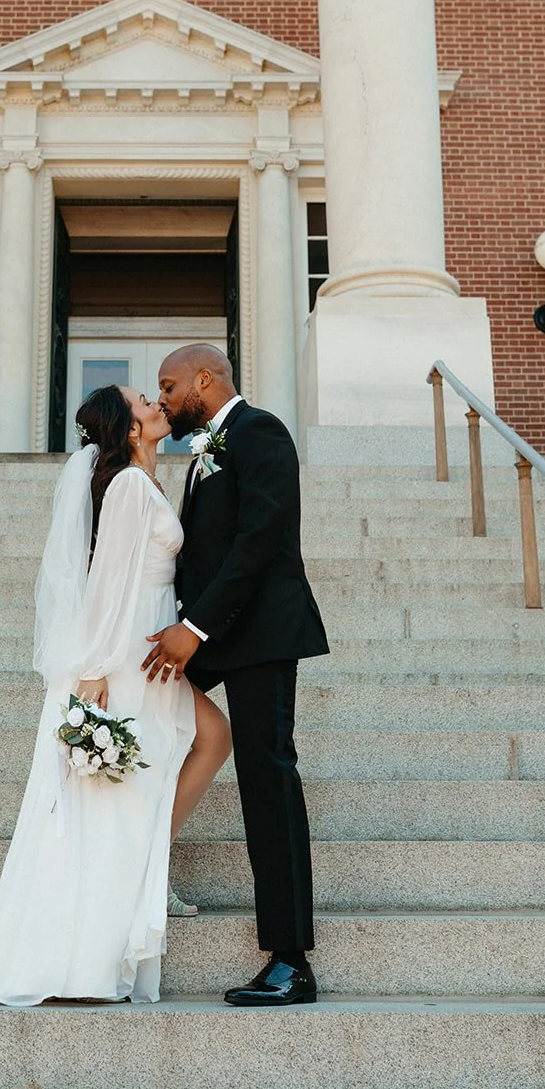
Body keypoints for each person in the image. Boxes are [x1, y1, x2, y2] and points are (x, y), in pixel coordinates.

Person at [0, 383, 231, 1006]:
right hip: (130, 652)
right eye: (144, 401)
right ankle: (130, 895)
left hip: (148, 643)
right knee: (188, 752)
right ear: (130, 428)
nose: (157, 403)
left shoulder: (144, 480)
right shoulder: (132, 487)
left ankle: (145, 876)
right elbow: (108, 580)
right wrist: (96, 667)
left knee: (203, 744)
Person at [143, 345, 329, 1007]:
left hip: (258, 633)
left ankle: (289, 960)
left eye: (167, 385)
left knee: (267, 778)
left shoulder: (259, 430)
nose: (160, 397)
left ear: (204, 379)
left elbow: (262, 536)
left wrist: (192, 630)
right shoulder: (202, 450)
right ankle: (131, 869)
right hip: (215, 633)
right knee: (143, 716)